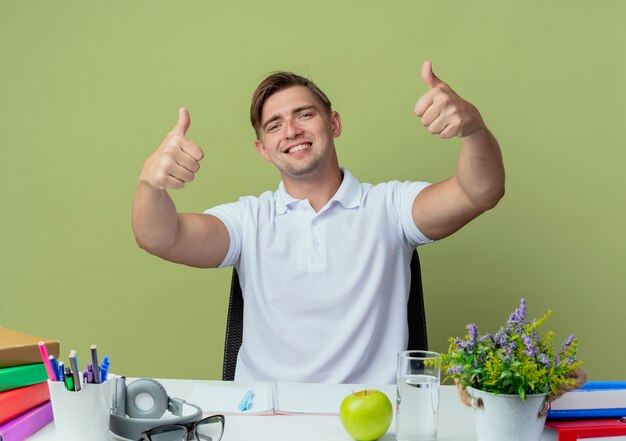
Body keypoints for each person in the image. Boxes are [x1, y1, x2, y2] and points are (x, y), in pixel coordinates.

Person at [131, 61, 505, 384]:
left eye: (304, 114)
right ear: (263, 149)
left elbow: (479, 192)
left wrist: (474, 131)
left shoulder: (389, 206)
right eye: (274, 125)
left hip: (374, 420)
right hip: (264, 422)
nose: (291, 130)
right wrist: (150, 183)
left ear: (334, 123)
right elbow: (161, 237)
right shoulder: (249, 220)